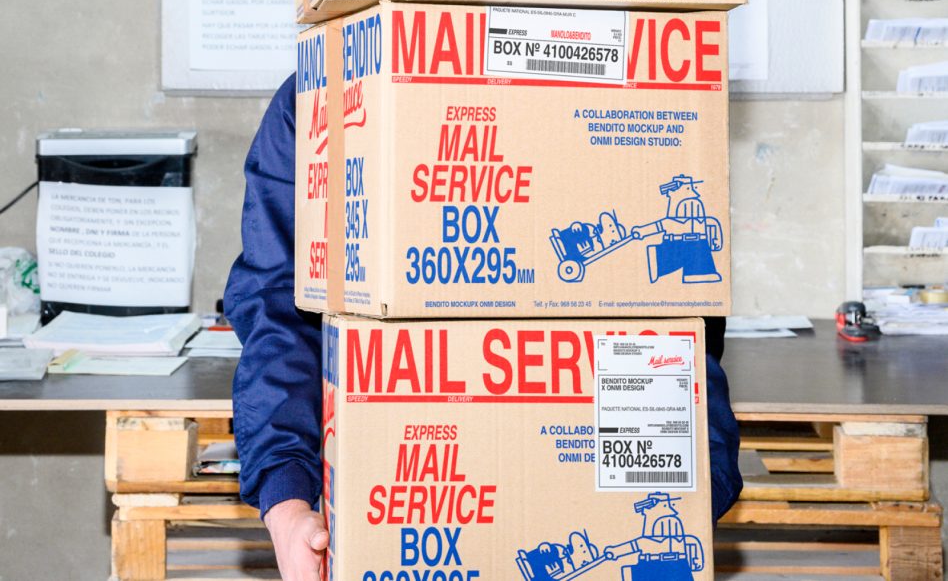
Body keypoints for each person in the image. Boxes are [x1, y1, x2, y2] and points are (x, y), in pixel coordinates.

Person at [224, 74, 743, 579]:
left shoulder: (649, 85)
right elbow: (280, 307)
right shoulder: (328, 91)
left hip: (607, 469)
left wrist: (695, 489)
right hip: (401, 492)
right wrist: (286, 501)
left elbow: (684, 324)